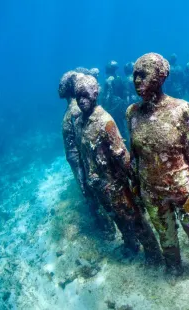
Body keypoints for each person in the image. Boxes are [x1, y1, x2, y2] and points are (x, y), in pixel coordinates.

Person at [127, 53, 189, 276]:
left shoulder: (180, 109)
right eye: (135, 76)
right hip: (151, 191)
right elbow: (135, 156)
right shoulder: (132, 113)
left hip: (183, 189)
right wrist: (135, 189)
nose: (137, 81)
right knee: (165, 236)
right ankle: (174, 268)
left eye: (143, 75)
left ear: (160, 77)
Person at [73, 74, 162, 262]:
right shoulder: (78, 123)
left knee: (135, 218)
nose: (81, 101)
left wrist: (135, 181)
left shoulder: (105, 122)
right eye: (78, 97)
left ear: (95, 94)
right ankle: (130, 245)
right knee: (117, 218)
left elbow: (121, 154)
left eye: (85, 95)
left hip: (116, 184)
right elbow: (82, 155)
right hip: (98, 185)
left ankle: (153, 253)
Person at [58, 71, 115, 239]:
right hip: (77, 158)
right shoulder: (74, 109)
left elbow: (83, 137)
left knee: (89, 191)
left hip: (80, 159)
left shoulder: (75, 110)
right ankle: (107, 224)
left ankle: (107, 228)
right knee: (90, 191)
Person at [102, 61, 127, 137]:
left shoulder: (108, 80)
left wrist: (105, 106)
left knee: (114, 124)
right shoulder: (119, 78)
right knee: (121, 125)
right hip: (119, 104)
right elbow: (123, 92)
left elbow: (107, 95)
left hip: (112, 105)